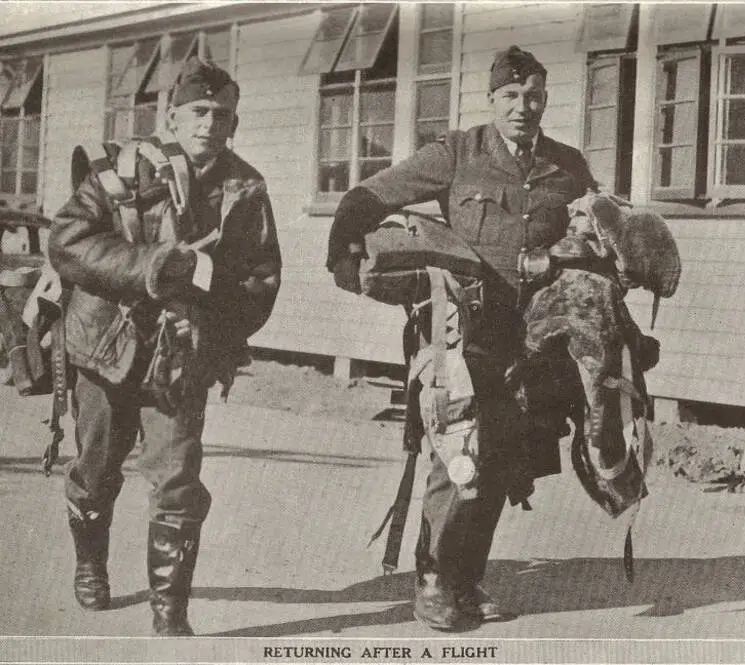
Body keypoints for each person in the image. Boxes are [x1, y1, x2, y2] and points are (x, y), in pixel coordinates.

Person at [327, 45, 597, 631]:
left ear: (545, 100)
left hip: (533, 340)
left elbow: (598, 224)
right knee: (460, 450)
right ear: (492, 100)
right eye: (510, 97)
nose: (521, 107)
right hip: (463, 332)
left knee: (504, 459)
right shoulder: (457, 153)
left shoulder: (568, 166)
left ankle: (465, 579)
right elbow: (367, 197)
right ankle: (433, 579)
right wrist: (345, 259)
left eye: (532, 97)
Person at [47, 57, 281, 636]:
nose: (209, 124)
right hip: (104, 345)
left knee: (177, 477)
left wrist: (214, 331)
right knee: (97, 470)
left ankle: (169, 614)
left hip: (181, 355)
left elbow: (260, 278)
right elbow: (69, 242)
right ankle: (90, 562)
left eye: (222, 115)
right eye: (198, 112)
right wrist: (153, 265)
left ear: (234, 122)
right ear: (172, 116)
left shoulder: (245, 186)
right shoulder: (123, 169)